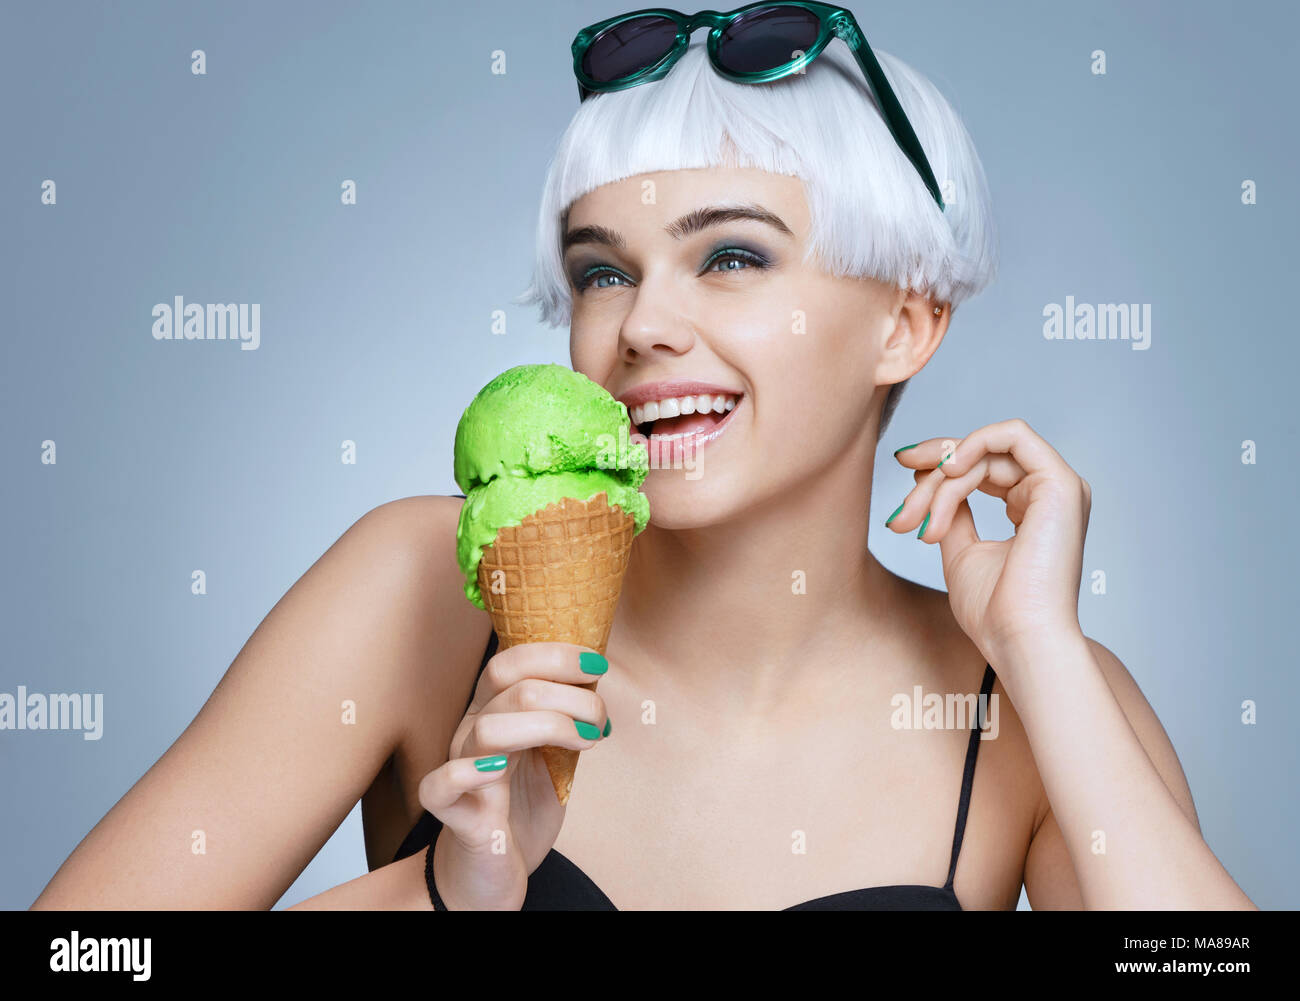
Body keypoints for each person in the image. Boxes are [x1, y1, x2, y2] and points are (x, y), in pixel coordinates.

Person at [32, 3, 1255, 911]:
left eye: (730, 256)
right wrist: (445, 896)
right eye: (601, 270)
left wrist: (1037, 645)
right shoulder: (428, 584)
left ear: (905, 320)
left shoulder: (1033, 702)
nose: (640, 326)